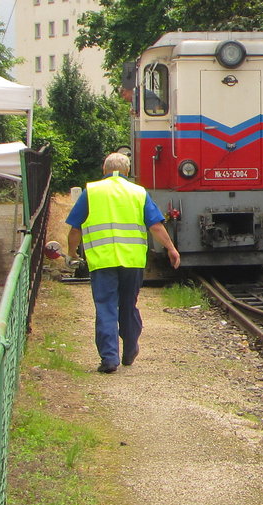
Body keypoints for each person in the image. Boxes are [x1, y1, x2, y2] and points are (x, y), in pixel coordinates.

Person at [65, 152, 180, 373]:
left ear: (103, 169)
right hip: (132, 260)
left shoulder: (92, 192)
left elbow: (75, 229)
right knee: (128, 305)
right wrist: (171, 248)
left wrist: (72, 254)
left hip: (102, 260)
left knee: (106, 307)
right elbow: (155, 225)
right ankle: (129, 349)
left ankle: (109, 359)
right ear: (127, 171)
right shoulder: (138, 192)